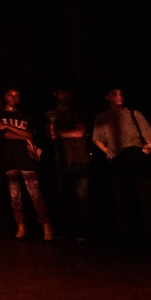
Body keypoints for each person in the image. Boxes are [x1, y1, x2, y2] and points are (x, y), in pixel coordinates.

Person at [91, 88, 151, 242]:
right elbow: (96, 138)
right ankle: (128, 234)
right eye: (115, 94)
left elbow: (150, 137)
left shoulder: (133, 114)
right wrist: (108, 151)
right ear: (107, 97)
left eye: (121, 93)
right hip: (117, 158)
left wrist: (144, 152)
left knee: (146, 195)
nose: (120, 96)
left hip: (135, 154)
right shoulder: (102, 117)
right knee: (122, 198)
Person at [0, 89, 53, 240]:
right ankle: (21, 226)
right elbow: (3, 135)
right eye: (10, 95)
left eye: (17, 96)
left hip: (26, 158)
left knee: (35, 194)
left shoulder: (24, 116)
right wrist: (22, 136)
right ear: (5, 97)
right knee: (15, 196)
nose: (13, 98)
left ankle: (46, 225)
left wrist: (9, 127)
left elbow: (30, 134)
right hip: (9, 158)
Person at [45, 90, 93, 240]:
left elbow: (79, 132)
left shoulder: (78, 113)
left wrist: (59, 134)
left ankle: (81, 231)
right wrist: (65, 133)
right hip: (60, 159)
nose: (65, 96)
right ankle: (64, 231)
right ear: (56, 95)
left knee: (82, 197)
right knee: (62, 196)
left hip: (79, 158)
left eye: (67, 93)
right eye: (62, 93)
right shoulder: (50, 115)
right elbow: (50, 135)